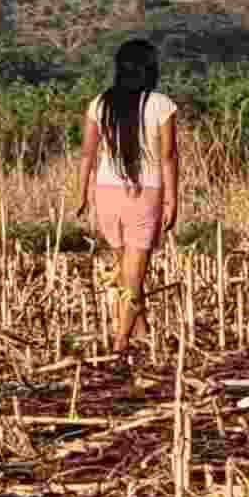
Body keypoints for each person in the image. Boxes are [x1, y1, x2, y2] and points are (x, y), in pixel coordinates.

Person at [76, 38, 178, 359]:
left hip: (105, 193)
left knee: (125, 271)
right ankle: (121, 341)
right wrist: (173, 200)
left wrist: (81, 193)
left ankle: (142, 329)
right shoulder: (162, 105)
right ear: (151, 68)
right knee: (133, 275)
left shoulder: (98, 103)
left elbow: (87, 154)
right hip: (145, 194)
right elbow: (169, 157)